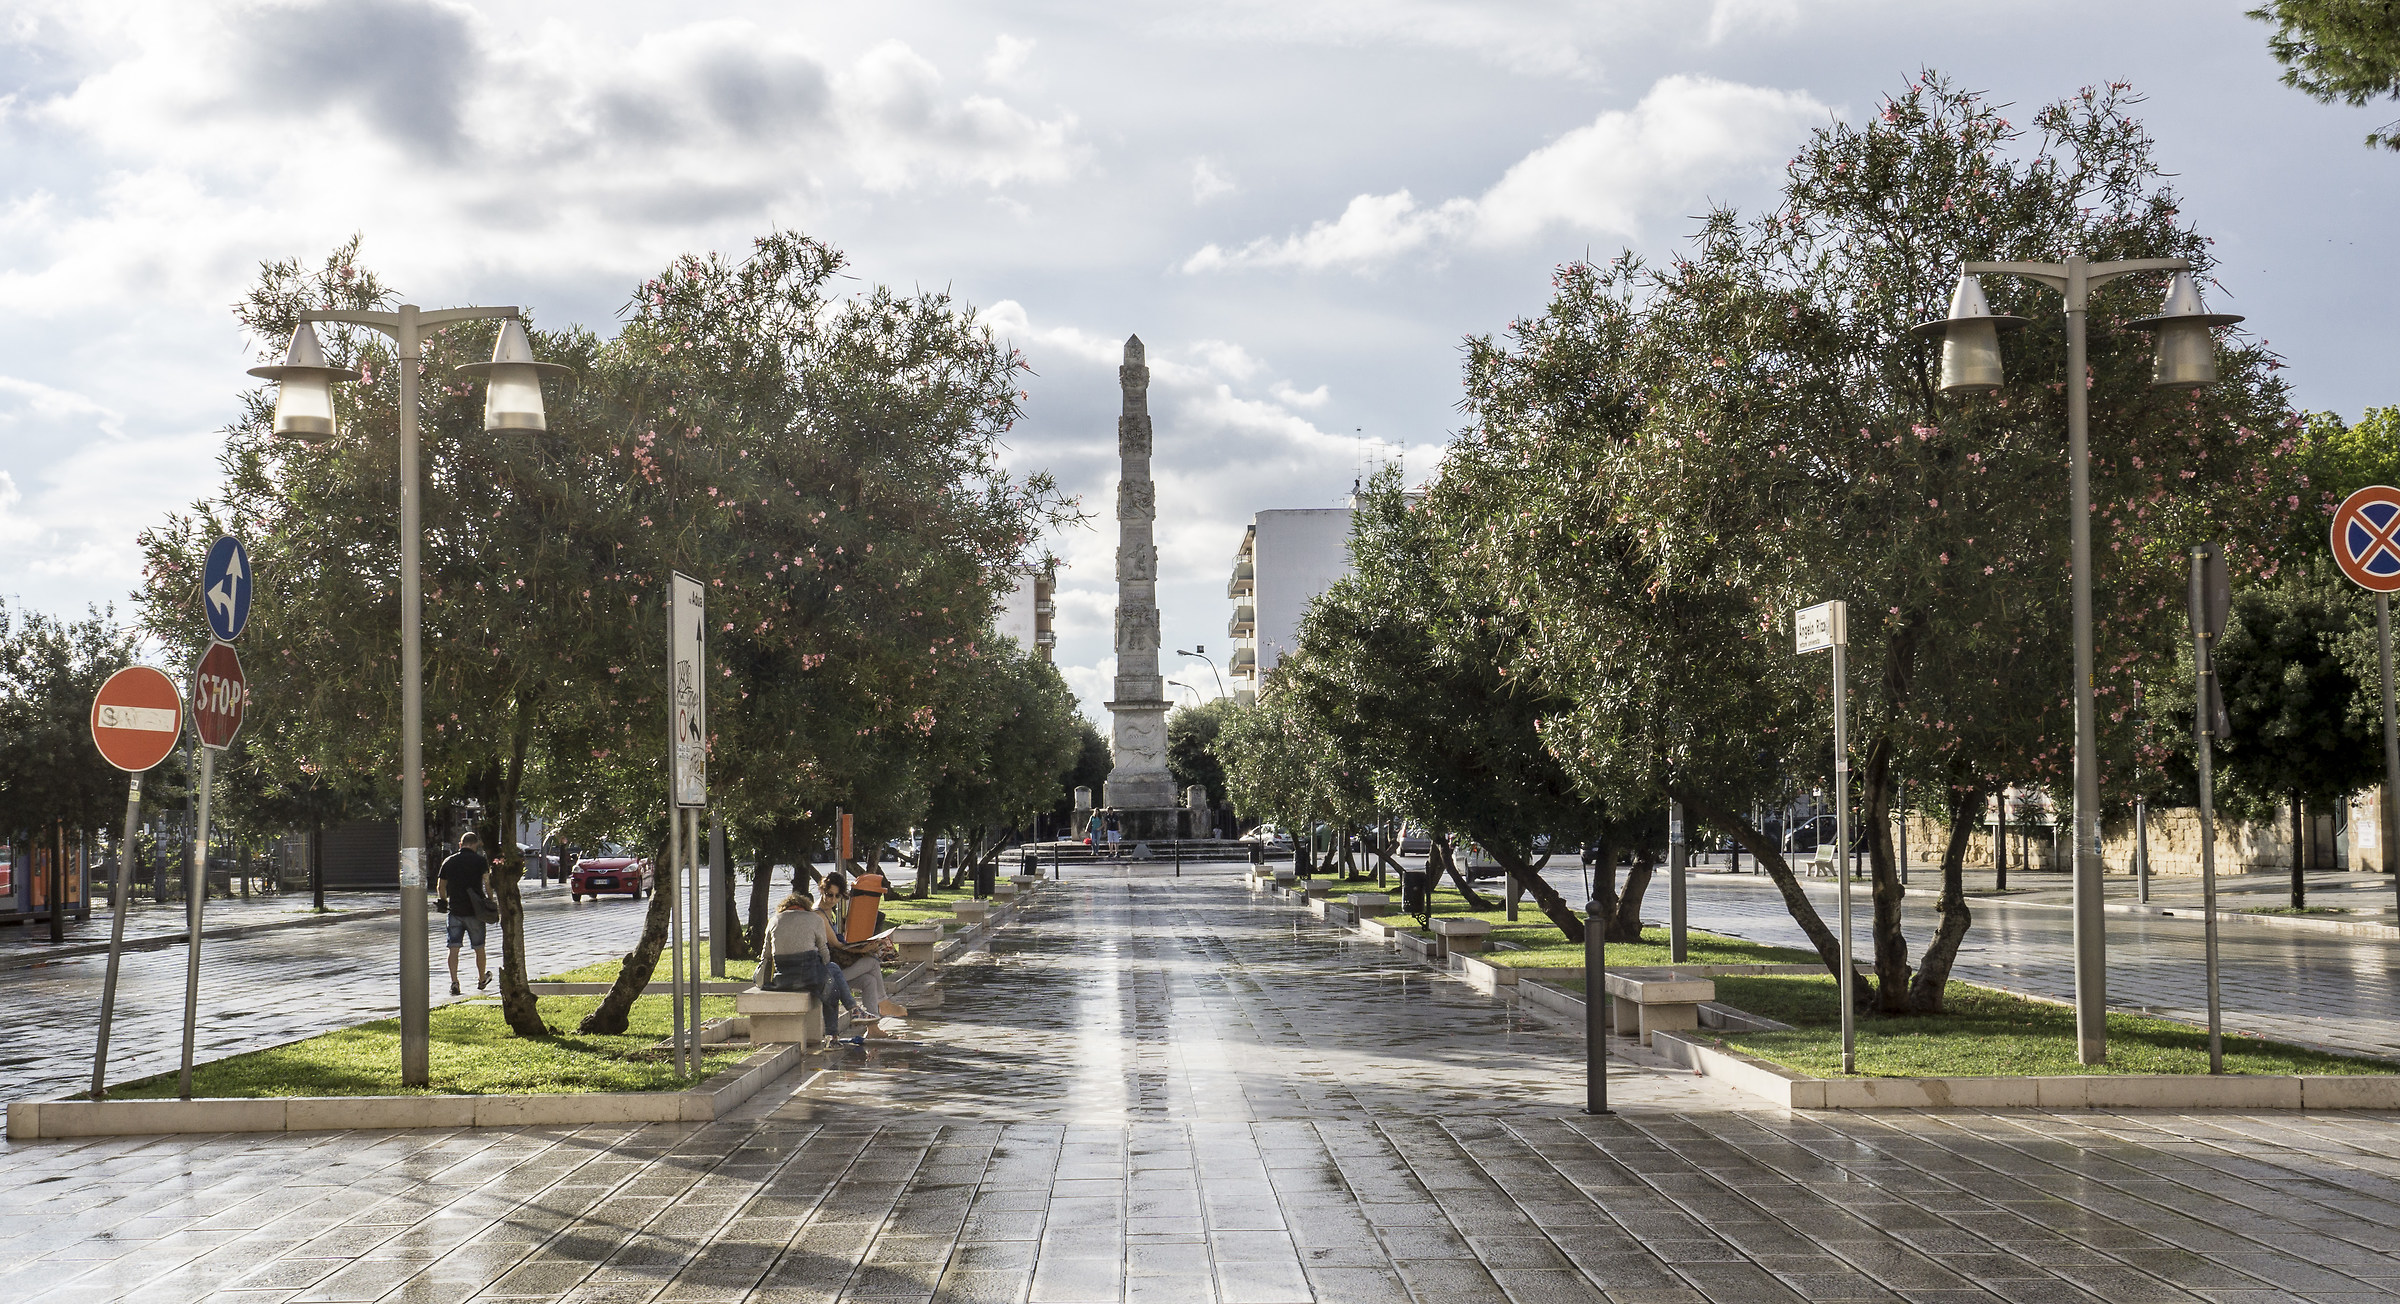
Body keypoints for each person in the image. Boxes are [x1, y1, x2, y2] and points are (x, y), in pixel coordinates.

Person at [760, 892, 850, 1043]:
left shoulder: (774, 920)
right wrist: (824, 966)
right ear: (805, 907)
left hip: (783, 981)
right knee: (831, 980)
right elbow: (824, 953)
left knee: (830, 976)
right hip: (810, 978)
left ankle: (851, 1011)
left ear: (784, 908)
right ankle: (834, 1034)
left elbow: (766, 955)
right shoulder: (815, 919)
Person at [821, 874, 906, 1024]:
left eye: (837, 896)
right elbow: (837, 945)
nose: (832, 900)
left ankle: (873, 1027)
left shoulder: (829, 911)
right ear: (821, 891)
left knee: (869, 980)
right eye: (829, 895)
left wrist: (866, 946)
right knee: (872, 962)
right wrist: (861, 950)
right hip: (828, 972)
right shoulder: (818, 914)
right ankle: (884, 1004)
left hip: (837, 968)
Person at [437, 832, 494, 997]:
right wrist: (490, 899)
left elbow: (441, 885)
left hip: (455, 911)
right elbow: (487, 882)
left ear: (461, 844)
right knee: (479, 947)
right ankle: (481, 979)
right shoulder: (480, 861)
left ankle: (454, 981)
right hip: (475, 912)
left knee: (453, 947)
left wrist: (443, 900)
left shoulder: (449, 861)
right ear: (475, 844)